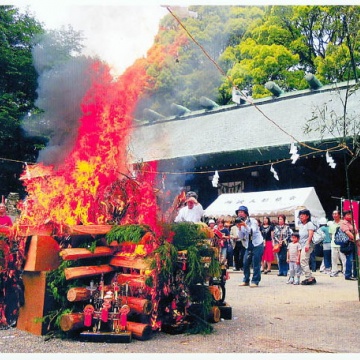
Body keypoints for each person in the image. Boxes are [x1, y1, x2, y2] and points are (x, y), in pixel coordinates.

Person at [235, 205, 264, 288]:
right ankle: (246, 280)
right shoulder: (239, 222)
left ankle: (255, 281)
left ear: (246, 213)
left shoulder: (253, 221)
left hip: (257, 244)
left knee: (256, 263)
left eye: (241, 212)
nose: (240, 214)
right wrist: (240, 228)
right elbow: (240, 237)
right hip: (248, 245)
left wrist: (245, 225)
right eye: (238, 212)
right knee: (245, 262)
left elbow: (253, 231)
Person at [298, 209, 316, 285]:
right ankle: (310, 277)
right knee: (303, 260)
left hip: (307, 245)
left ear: (307, 216)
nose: (301, 216)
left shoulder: (310, 224)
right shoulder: (301, 225)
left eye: (303, 214)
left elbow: (310, 235)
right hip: (302, 245)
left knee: (303, 261)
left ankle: (309, 277)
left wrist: (307, 244)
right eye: (300, 215)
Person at [339, 210, 358, 281]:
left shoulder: (353, 222)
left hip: (354, 242)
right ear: (344, 216)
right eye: (348, 214)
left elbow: (356, 231)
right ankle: (348, 275)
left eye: (350, 214)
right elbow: (347, 232)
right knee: (349, 259)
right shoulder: (343, 223)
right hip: (348, 243)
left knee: (355, 259)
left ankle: (356, 274)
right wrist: (355, 238)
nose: (350, 216)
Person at [328, 210, 346, 277]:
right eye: (333, 214)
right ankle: (334, 271)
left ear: (339, 215)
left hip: (342, 244)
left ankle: (345, 271)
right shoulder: (331, 224)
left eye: (336, 214)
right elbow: (330, 234)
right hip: (333, 244)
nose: (334, 215)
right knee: (334, 258)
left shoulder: (343, 223)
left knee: (343, 258)